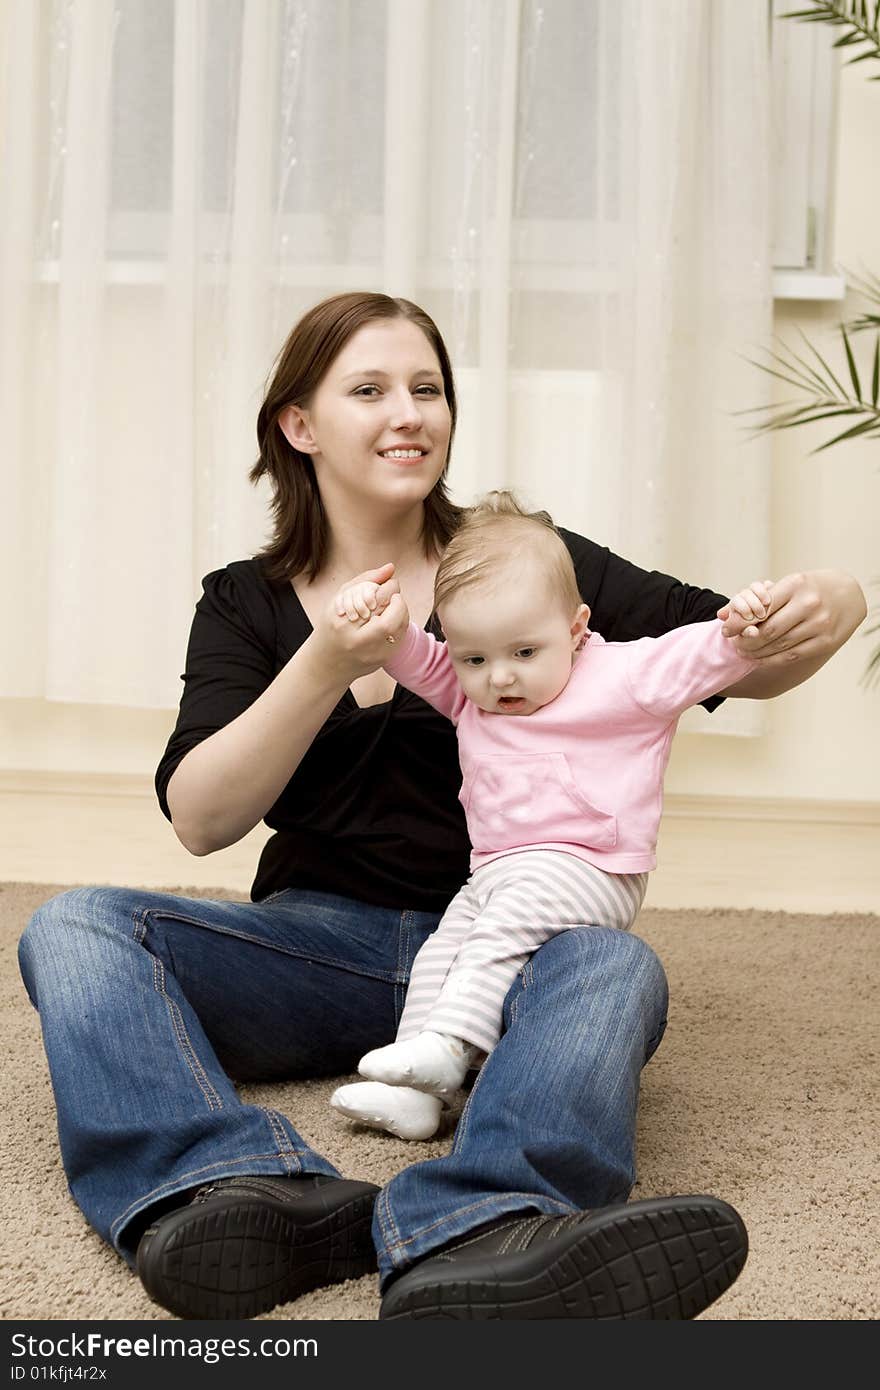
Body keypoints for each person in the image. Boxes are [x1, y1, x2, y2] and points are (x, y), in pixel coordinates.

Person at [17, 292, 866, 1323]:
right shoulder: (245, 600)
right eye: (368, 389)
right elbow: (201, 817)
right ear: (300, 424)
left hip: (520, 944)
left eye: (428, 388)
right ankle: (226, 1188)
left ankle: (480, 1222)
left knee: (615, 965)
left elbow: (733, 650)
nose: (408, 412)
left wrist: (832, 600)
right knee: (77, 924)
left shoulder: (523, 562)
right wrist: (329, 658)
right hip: (315, 948)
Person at [329, 491, 769, 1141]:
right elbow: (417, 659)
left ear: (573, 627)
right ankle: (414, 1099)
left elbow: (703, 653)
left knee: (499, 930)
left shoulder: (623, 675)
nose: (498, 678)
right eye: (474, 658)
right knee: (439, 954)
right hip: (498, 872)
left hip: (592, 865)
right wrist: (384, 626)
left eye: (523, 654)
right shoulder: (472, 693)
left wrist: (746, 624)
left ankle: (451, 1050)